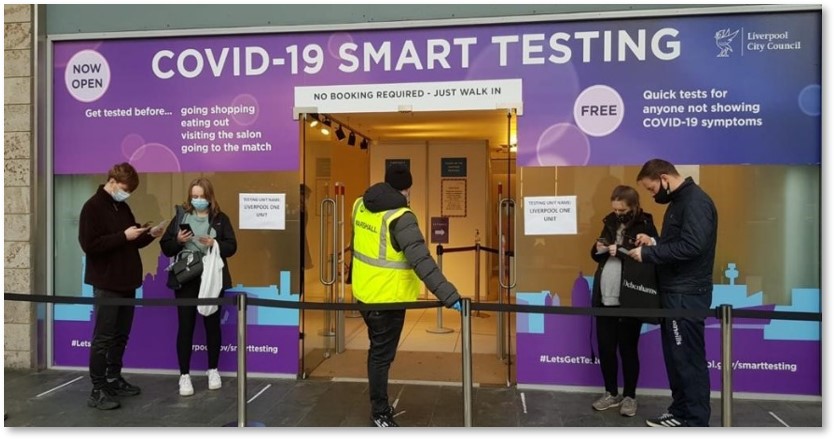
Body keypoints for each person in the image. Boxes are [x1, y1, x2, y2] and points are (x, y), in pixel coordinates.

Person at [351, 163, 462, 427]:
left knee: (377, 352)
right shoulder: (401, 217)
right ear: (408, 188)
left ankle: (379, 407)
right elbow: (421, 260)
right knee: (381, 356)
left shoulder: (360, 205)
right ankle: (379, 412)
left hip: (364, 293)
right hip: (388, 298)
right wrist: (450, 295)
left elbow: (358, 245)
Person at [627, 159, 718, 427]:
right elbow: (680, 241)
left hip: (685, 295)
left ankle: (694, 420)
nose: (652, 195)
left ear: (664, 178)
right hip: (676, 292)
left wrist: (649, 254)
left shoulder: (695, 202)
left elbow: (693, 246)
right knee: (677, 358)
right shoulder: (680, 202)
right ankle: (679, 411)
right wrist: (654, 242)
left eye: (652, 188)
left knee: (687, 359)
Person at [78, 162, 165, 410]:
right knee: (103, 338)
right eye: (125, 189)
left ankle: (113, 378)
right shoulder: (92, 208)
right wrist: (123, 236)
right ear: (112, 181)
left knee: (120, 335)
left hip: (127, 281)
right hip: (107, 282)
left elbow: (131, 242)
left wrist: (149, 234)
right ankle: (97, 389)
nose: (126, 194)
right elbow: (89, 245)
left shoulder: (122, 207)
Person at [160, 178, 237, 397]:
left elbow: (232, 246)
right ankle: (184, 375)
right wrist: (178, 240)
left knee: (212, 324)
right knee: (186, 326)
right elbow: (166, 247)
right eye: (194, 196)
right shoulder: (181, 217)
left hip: (212, 277)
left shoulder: (220, 219)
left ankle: (213, 370)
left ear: (209, 197)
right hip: (186, 278)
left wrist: (215, 243)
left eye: (202, 196)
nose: (198, 200)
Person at [589, 185, 658, 417]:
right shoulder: (608, 221)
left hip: (630, 295)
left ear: (633, 207)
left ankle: (630, 396)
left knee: (628, 349)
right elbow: (596, 254)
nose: (617, 213)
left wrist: (618, 249)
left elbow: (650, 255)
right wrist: (598, 248)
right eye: (615, 209)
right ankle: (611, 393)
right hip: (604, 295)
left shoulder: (645, 223)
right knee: (606, 348)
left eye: (622, 209)